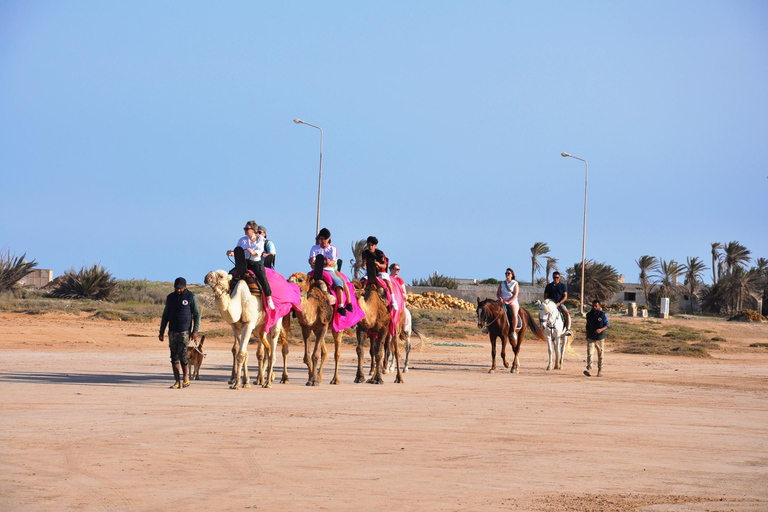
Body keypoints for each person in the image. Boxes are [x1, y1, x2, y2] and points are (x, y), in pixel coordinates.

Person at [159, 277, 201, 389]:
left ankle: (185, 378)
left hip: (185, 331)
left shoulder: (190, 297)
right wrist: (161, 331)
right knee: (174, 357)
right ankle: (177, 381)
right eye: (177, 288)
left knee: (183, 355)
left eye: (180, 288)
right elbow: (165, 315)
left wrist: (195, 330)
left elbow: (196, 315)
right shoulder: (170, 298)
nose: (178, 290)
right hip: (172, 331)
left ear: (185, 287)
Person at [226, 220, 274, 310]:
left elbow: (259, 252)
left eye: (247, 228)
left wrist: (253, 252)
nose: (245, 230)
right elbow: (237, 251)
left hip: (255, 262)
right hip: (244, 263)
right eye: (244, 228)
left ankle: (269, 298)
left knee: (262, 277)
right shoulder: (242, 240)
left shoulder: (260, 239)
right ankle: (227, 295)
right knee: (230, 274)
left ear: (254, 230)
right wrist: (231, 253)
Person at [308, 227, 352, 316]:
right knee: (304, 282)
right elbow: (310, 261)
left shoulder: (333, 249)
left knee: (339, 282)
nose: (323, 240)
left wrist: (328, 263)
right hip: (316, 270)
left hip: (329, 271)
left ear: (328, 239)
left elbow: (333, 263)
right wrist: (312, 261)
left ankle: (341, 306)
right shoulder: (314, 248)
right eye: (321, 238)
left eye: (325, 239)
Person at [362, 236, 398, 310]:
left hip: (381, 271)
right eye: (368, 244)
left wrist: (378, 264)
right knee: (362, 281)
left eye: (372, 245)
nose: (370, 246)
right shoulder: (365, 253)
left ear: (375, 245)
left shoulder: (380, 253)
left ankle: (393, 300)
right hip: (370, 272)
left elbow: (384, 265)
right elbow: (364, 264)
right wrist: (363, 265)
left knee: (387, 281)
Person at [584, 300, 609, 377]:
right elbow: (587, 326)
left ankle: (600, 370)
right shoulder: (589, 315)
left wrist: (601, 329)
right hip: (591, 337)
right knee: (590, 353)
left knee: (600, 355)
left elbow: (607, 325)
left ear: (599, 306)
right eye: (593, 306)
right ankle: (588, 369)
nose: (594, 307)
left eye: (596, 306)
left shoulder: (603, 315)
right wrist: (587, 336)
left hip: (600, 338)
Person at [496, 268, 520, 340]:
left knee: (514, 314)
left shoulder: (515, 283)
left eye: (508, 273)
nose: (507, 275)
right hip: (502, 300)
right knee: (492, 310)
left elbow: (515, 294)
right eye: (506, 273)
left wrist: (509, 302)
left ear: (512, 275)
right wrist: (500, 298)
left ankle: (513, 331)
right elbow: (498, 293)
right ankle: (488, 327)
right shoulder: (502, 283)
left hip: (512, 301)